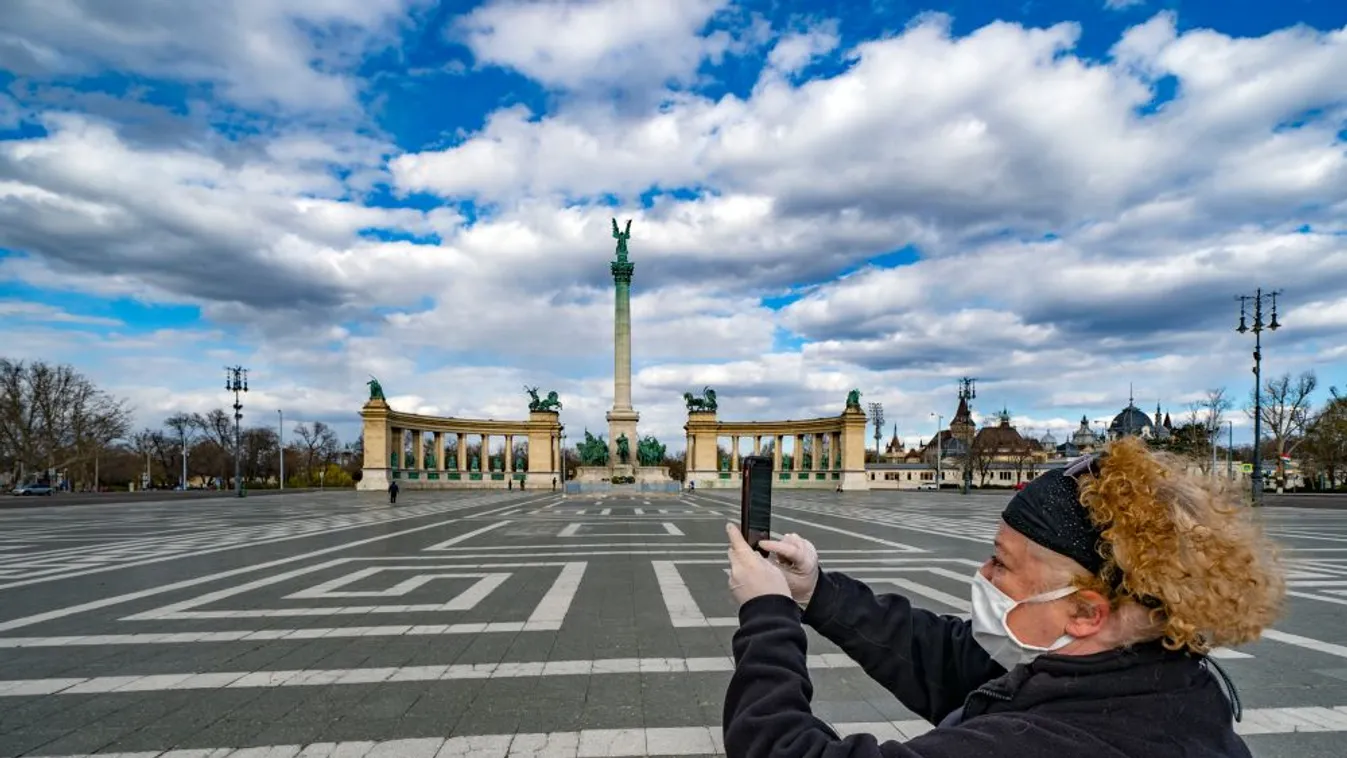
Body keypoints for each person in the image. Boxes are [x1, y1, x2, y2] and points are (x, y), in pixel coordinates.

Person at [723, 436, 1285, 758]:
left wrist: (767, 614)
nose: (984, 573)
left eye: (1003, 562)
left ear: (1085, 612)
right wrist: (816, 591)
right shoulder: (1155, 679)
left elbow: (779, 749)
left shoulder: (1042, 744)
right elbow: (947, 659)